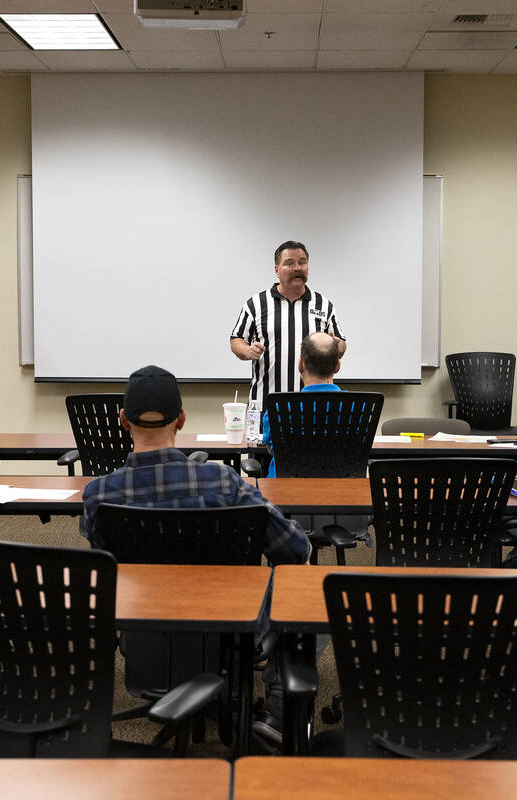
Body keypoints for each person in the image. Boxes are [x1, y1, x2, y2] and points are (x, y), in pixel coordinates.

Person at [79, 364, 311, 747]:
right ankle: (277, 704)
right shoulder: (224, 481)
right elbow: (294, 548)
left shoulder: (99, 494)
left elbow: (104, 564)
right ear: (182, 419)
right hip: (228, 633)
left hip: (141, 631)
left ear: (123, 420)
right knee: (301, 585)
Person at [230, 240, 346, 404]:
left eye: (302, 262)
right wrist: (248, 350)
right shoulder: (256, 304)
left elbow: (341, 344)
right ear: (277, 270)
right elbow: (236, 339)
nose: (297, 268)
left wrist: (336, 346)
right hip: (266, 404)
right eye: (289, 263)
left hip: (312, 406)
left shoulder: (323, 305)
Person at [260, 331, 342, 478]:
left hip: (283, 493)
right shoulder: (359, 408)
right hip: (342, 494)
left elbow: (272, 450)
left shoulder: (278, 408)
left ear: (300, 365)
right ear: (337, 365)